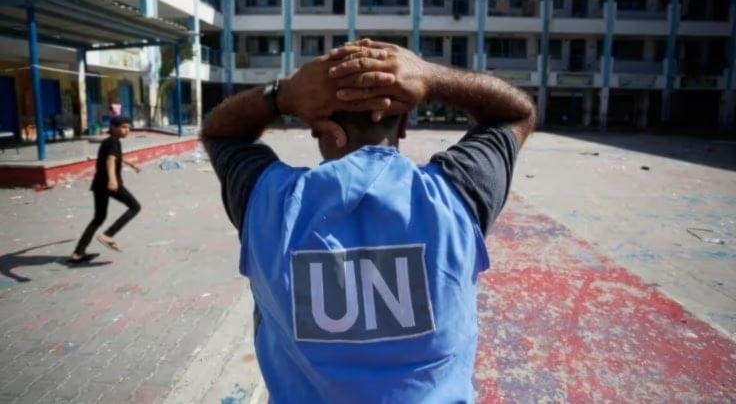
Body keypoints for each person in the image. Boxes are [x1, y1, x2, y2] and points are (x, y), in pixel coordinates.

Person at [201, 39, 535, 402]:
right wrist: (432, 77)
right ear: (403, 124)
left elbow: (219, 131)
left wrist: (283, 94)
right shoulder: (456, 194)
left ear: (320, 128)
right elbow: (517, 113)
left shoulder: (269, 201)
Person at [69, 116, 141, 263]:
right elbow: (110, 160)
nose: (127, 130)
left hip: (99, 184)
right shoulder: (114, 142)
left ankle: (78, 253)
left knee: (99, 217)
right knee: (135, 207)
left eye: (128, 127)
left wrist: (130, 164)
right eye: (123, 127)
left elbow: (114, 157)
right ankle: (108, 234)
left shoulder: (110, 141)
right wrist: (113, 180)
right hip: (110, 184)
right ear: (113, 127)